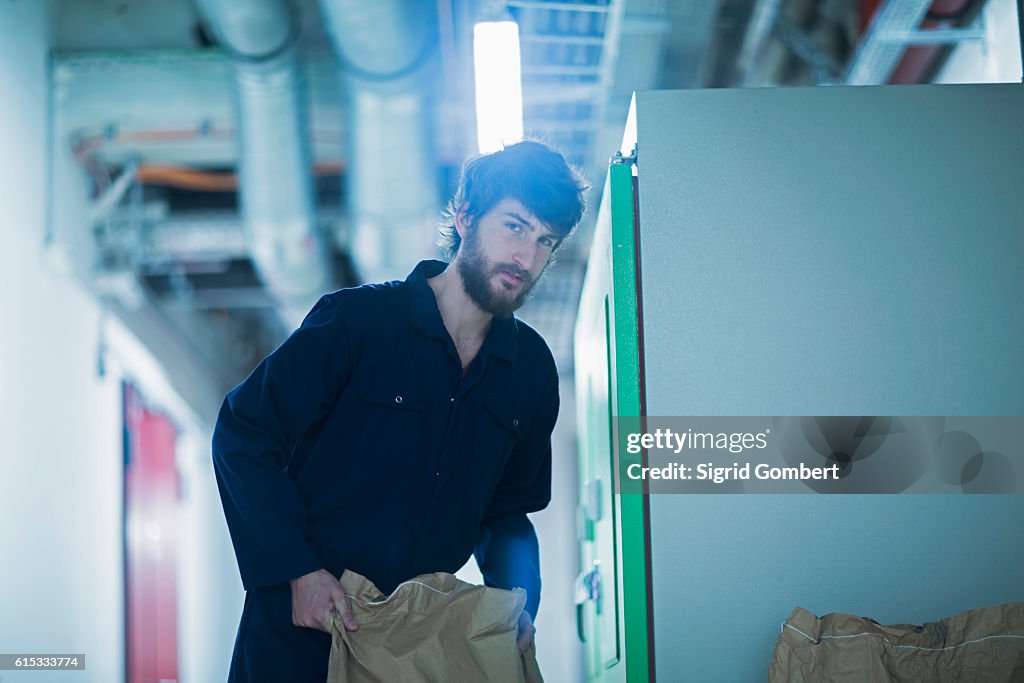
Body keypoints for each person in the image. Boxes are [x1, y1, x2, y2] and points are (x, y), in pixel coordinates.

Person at [213, 139, 589, 681]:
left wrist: (519, 604)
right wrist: (297, 570)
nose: (526, 258)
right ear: (464, 217)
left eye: (544, 241)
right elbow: (243, 433)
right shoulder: (358, 323)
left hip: (419, 642)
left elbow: (506, 514)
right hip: (302, 629)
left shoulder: (529, 372)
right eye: (514, 226)